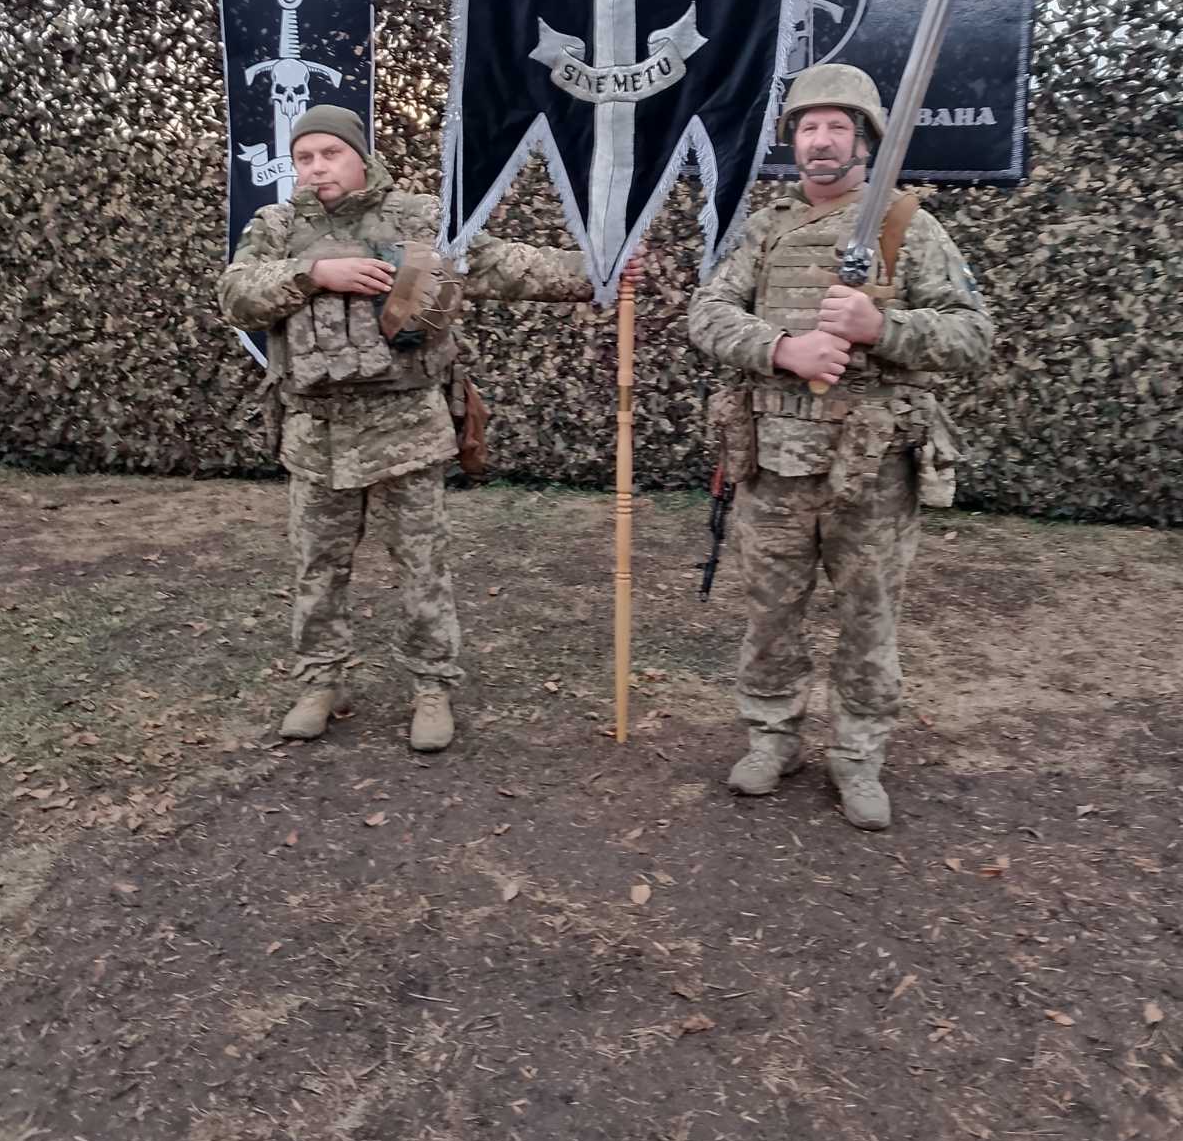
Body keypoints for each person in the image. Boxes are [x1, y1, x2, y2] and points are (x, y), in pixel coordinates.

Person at [218, 104, 636, 751]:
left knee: (421, 566)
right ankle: (320, 683)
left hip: (405, 428)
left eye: (330, 153)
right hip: (316, 435)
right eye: (304, 158)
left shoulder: (417, 219)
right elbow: (236, 294)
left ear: (361, 155)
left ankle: (432, 686)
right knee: (317, 569)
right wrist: (313, 273)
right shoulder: (276, 227)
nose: (317, 168)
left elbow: (500, 265)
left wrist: (601, 270)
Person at [687, 64, 993, 829]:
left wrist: (881, 328)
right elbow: (708, 314)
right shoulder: (767, 229)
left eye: (837, 126)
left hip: (872, 471)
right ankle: (771, 737)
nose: (821, 141)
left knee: (868, 622)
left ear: (865, 140)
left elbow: (972, 335)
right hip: (774, 467)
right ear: (793, 141)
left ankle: (858, 757)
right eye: (808, 127)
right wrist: (782, 348)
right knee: (770, 619)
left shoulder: (906, 225)